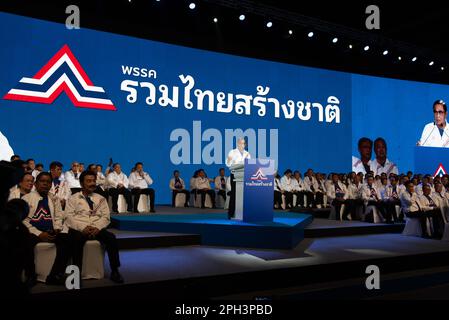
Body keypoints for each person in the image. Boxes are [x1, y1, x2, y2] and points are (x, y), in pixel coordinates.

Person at [65, 170, 124, 284]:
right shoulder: (73, 198)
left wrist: (97, 227)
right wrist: (83, 228)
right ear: (82, 184)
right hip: (79, 229)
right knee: (76, 240)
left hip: (97, 228)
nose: (92, 183)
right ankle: (75, 275)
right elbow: (68, 217)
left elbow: (106, 217)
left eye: (93, 181)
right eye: (88, 181)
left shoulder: (100, 198)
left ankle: (115, 271)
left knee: (111, 238)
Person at [22, 172, 73, 285]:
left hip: (51, 231)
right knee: (25, 243)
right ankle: (30, 275)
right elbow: (23, 220)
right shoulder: (26, 198)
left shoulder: (54, 198)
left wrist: (57, 229)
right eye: (42, 181)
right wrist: (39, 234)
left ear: (51, 185)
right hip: (33, 232)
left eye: (48, 182)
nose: (45, 184)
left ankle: (55, 275)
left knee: (68, 240)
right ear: (36, 184)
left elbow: (59, 216)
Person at [225, 137, 251, 219]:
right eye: (240, 143)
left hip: (244, 176)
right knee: (234, 194)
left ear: (245, 145)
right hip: (235, 175)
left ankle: (243, 213)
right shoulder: (232, 152)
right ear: (237, 143)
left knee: (244, 195)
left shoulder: (247, 154)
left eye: (243, 143)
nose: (242, 145)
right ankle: (231, 213)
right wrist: (231, 162)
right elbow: (228, 163)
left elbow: (249, 165)